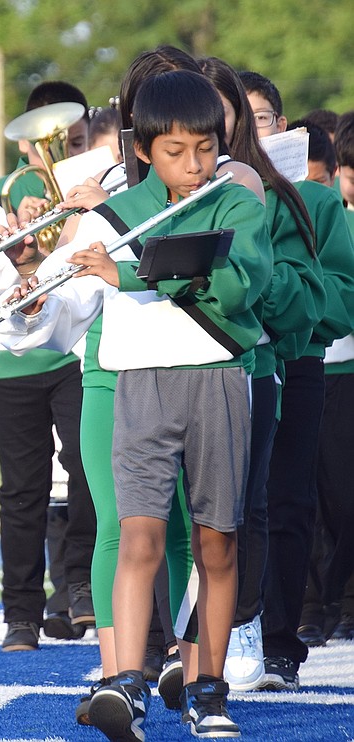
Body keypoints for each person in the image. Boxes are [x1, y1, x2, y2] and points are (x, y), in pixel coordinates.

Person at [3, 68, 273, 740]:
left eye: (207, 147)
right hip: (138, 385)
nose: (195, 164)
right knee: (137, 534)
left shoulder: (238, 200)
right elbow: (71, 303)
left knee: (216, 540)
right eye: (176, 151)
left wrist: (129, 269)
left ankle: (209, 689)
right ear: (145, 150)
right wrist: (37, 295)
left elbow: (241, 287)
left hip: (218, 376)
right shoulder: (110, 213)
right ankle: (123, 682)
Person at [188, 58, 326, 696]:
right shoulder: (156, 186)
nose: (209, 125)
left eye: (221, 112)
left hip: (253, 366)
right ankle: (166, 639)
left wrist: (250, 278)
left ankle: (242, 621)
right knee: (161, 515)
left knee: (246, 507)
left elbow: (315, 300)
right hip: (163, 368)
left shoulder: (279, 192)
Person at [0, 80, 97, 651]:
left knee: (89, 469)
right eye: (51, 143)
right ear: (24, 149)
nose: (61, 154)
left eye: (75, 140)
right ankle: (21, 615)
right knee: (23, 490)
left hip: (75, 351)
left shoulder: (93, 192)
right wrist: (21, 249)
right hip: (13, 359)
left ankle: (80, 587)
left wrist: (72, 222)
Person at [240, 70, 354, 691]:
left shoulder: (318, 200)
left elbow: (339, 298)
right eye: (240, 120)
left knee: (286, 503)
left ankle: (282, 643)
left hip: (300, 360)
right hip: (233, 365)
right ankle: (226, 633)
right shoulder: (222, 192)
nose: (251, 132)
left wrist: (288, 306)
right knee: (230, 507)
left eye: (261, 119)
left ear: (282, 129)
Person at [299, 111, 354, 646]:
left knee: (341, 495)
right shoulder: (282, 214)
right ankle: (310, 605)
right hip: (303, 364)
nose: (313, 193)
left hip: (342, 368)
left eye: (322, 183)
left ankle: (339, 600)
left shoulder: (339, 218)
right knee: (302, 500)